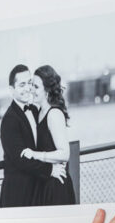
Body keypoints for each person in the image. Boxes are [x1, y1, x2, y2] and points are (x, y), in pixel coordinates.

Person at [0, 64, 65, 208]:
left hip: (37, 191)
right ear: (11, 90)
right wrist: (50, 170)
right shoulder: (9, 120)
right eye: (22, 85)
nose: (28, 88)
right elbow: (20, 159)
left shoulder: (35, 111)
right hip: (18, 195)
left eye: (29, 83)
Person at [20, 64, 77, 206]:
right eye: (31, 85)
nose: (31, 90)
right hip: (46, 183)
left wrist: (35, 154)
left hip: (57, 187)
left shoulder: (54, 114)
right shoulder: (39, 113)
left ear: (47, 91)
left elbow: (65, 154)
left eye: (36, 87)